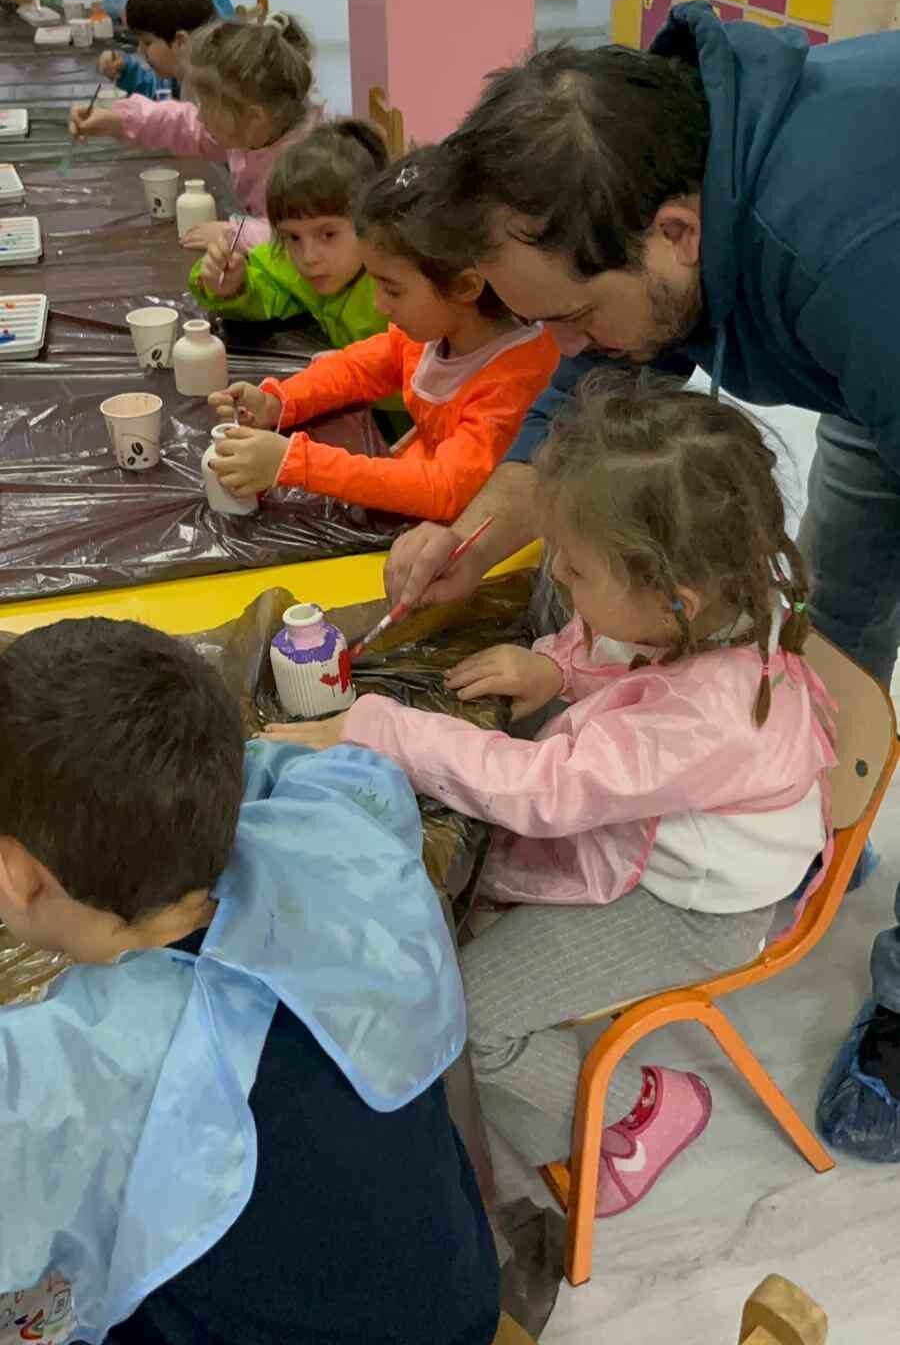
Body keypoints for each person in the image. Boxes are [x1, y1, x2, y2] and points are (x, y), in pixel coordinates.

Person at [383, 7, 900, 1161]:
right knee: (835, 647)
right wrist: (482, 526)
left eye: (570, 314)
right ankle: (803, 809)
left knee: (839, 672)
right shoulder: (646, 187)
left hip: (876, 291)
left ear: (676, 230)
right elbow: (598, 377)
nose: (563, 344)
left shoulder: (845, 256)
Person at [265, 377, 836, 1212]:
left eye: (574, 566)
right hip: (682, 846)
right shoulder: (712, 599)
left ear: (675, 597)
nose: (556, 574)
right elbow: (623, 656)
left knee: (466, 1015)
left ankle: (640, 1111)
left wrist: (377, 727)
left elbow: (545, 791)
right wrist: (558, 668)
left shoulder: (701, 716)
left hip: (696, 911)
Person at [0, 617, 500, 1345]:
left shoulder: (58, 1074)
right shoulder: (340, 835)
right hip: (457, 1304)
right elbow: (339, 772)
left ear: (17, 876)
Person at [206, 148, 559, 520]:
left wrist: (296, 461)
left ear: (464, 286)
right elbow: (358, 368)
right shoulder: (432, 332)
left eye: (392, 289)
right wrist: (278, 402)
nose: (378, 304)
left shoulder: (513, 384)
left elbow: (442, 489)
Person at [69, 15, 317, 254]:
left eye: (207, 107)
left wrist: (234, 234)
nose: (200, 117)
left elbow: (303, 237)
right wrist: (118, 120)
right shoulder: (251, 132)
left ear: (254, 117)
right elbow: (185, 125)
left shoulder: (307, 166)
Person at [189, 119, 390, 342]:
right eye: (293, 237)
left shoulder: (397, 290)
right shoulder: (292, 260)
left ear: (369, 221)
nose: (308, 257)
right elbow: (269, 286)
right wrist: (234, 286)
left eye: (328, 235)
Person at [97, 0, 215, 99]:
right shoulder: (179, 74)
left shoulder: (210, 98)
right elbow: (157, 88)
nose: (140, 50)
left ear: (180, 43)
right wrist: (125, 70)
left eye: (147, 43)